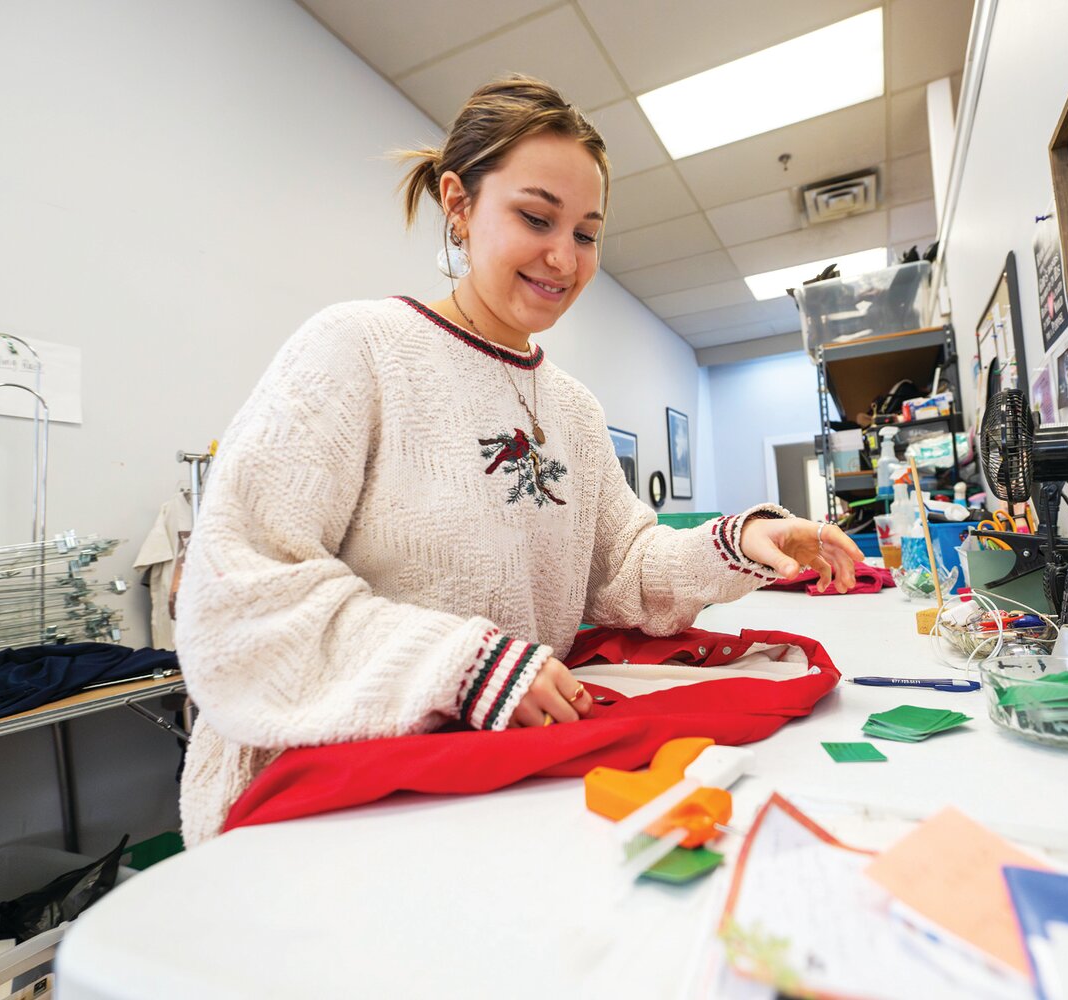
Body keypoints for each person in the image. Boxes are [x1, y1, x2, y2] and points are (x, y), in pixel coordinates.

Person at [173, 76, 863, 846]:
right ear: (459, 207)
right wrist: (463, 664)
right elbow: (241, 595)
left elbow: (623, 568)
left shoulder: (570, 406)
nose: (564, 258)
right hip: (325, 796)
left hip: (490, 777)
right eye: (536, 218)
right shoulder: (357, 348)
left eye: (587, 232)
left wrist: (739, 542)